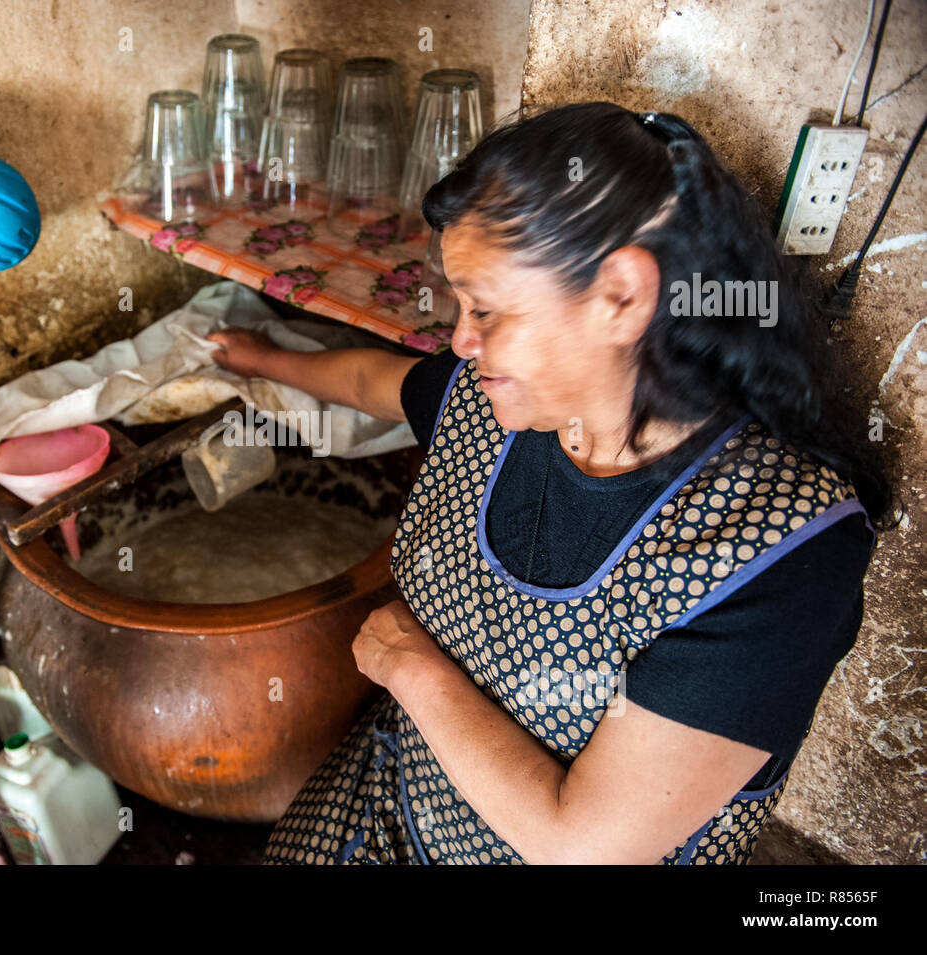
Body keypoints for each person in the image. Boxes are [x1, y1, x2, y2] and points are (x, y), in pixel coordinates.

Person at [205, 102, 890, 865]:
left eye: (488, 309)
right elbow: (373, 378)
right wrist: (263, 359)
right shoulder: (495, 401)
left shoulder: (772, 555)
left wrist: (407, 663)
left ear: (623, 297)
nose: (462, 340)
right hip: (396, 797)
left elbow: (581, 846)